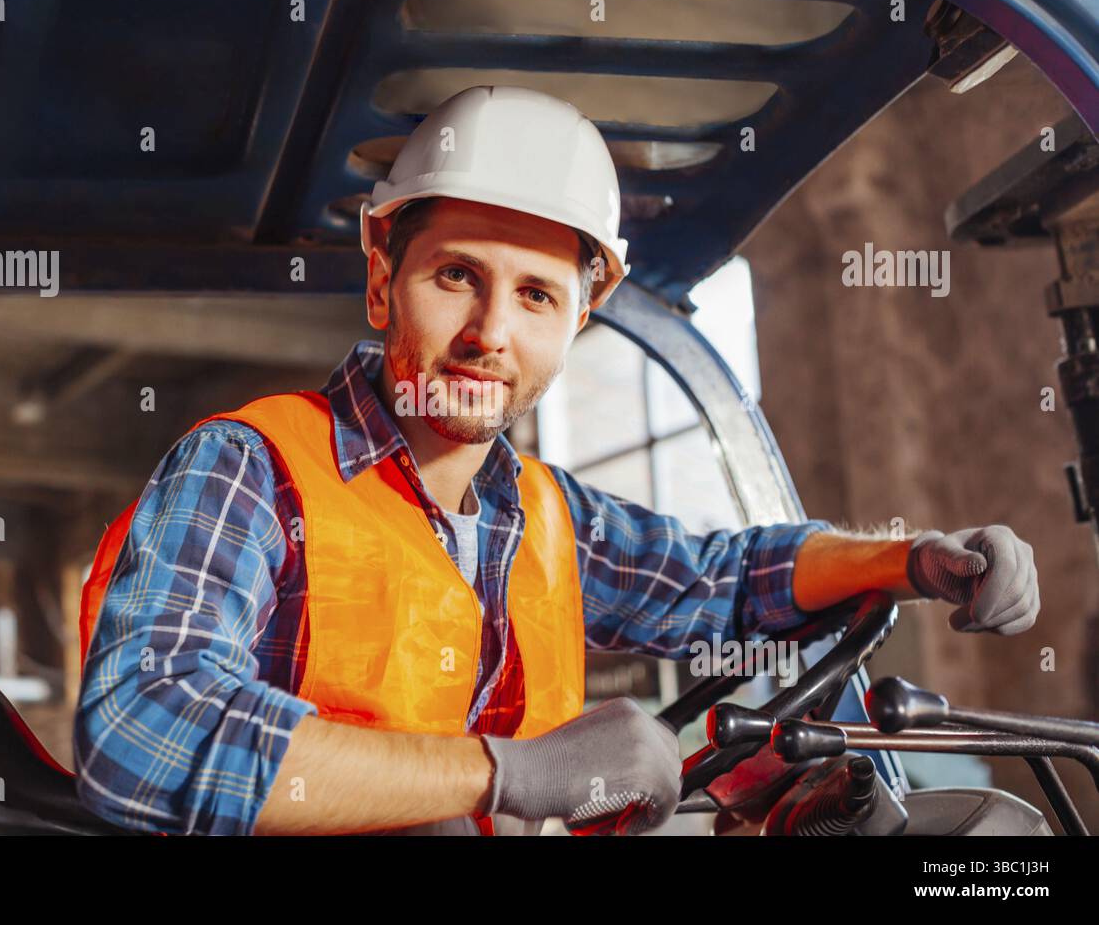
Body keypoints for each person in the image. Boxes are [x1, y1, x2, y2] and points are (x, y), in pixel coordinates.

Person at [72, 85, 1040, 836]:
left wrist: (909, 558)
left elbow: (721, 579)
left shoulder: (541, 514)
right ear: (382, 281)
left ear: (575, 320)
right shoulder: (248, 469)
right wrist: (509, 771)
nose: (489, 332)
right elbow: (144, 732)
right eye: (457, 275)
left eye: (536, 295)